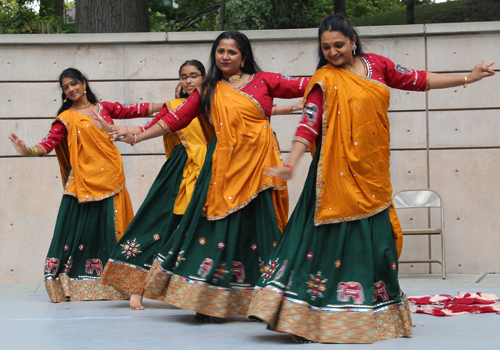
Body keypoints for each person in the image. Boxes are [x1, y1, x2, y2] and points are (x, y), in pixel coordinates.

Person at [247, 15, 495, 344]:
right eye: (326, 47)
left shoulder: (377, 66)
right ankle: (299, 316)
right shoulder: (323, 79)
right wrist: (290, 163)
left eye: (338, 45)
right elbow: (309, 123)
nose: (333, 52)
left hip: (372, 174)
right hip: (333, 176)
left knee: (379, 247)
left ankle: (375, 310)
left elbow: (419, 79)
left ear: (353, 41)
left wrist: (469, 77)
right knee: (316, 246)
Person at [100, 31, 309, 321]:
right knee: (217, 235)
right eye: (220, 51)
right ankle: (209, 301)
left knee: (264, 233)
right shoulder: (208, 90)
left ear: (244, 56)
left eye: (232, 52)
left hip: (259, 170)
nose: (225, 56)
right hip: (223, 171)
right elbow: (175, 119)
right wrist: (138, 137)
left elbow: (307, 85)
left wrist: (339, 74)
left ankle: (270, 304)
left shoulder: (265, 81)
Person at [9, 68, 163, 303]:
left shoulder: (106, 109)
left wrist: (172, 105)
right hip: (81, 182)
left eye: (74, 84)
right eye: (66, 87)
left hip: (111, 178)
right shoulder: (66, 118)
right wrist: (27, 151)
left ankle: (119, 283)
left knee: (116, 230)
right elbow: (48, 144)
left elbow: (135, 110)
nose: (71, 89)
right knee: (74, 231)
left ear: (83, 83)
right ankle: (71, 281)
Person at [96, 60, 211, 310]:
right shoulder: (175, 107)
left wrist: (292, 109)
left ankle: (194, 288)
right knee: (157, 223)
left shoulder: (216, 103)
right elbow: (148, 127)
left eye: (194, 75)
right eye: (183, 77)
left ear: (205, 77)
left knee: (202, 230)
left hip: (212, 170)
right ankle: (136, 286)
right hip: (180, 171)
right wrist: (116, 129)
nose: (188, 81)